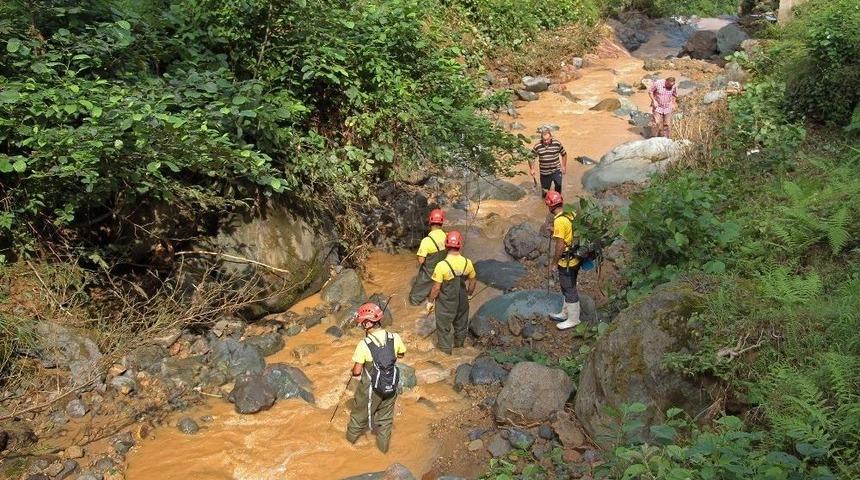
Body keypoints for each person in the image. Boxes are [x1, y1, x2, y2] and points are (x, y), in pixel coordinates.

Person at [345, 302, 406, 453]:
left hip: (371, 388)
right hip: (391, 384)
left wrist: (352, 370)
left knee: (358, 418)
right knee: (385, 421)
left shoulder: (364, 344)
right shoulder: (395, 337)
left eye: (361, 323)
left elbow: (357, 372)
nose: (360, 326)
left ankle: (345, 449)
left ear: (367, 323)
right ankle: (383, 453)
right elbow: (401, 354)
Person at [425, 231, 476, 354]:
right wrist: (469, 295)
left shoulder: (441, 266)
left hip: (446, 304)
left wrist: (430, 302)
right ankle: (459, 349)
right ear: (460, 245)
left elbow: (436, 288)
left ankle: (445, 354)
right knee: (461, 325)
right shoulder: (467, 263)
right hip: (462, 301)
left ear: (446, 246)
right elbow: (473, 282)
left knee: (444, 328)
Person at [545, 191, 582, 330]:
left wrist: (554, 263)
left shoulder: (559, 220)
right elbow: (569, 232)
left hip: (566, 262)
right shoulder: (569, 214)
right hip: (575, 258)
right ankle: (566, 312)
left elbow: (560, 244)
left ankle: (573, 319)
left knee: (568, 288)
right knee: (569, 286)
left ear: (550, 206)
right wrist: (555, 230)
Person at [408, 209, 447, 306]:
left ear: (430, 222)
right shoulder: (447, 236)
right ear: (442, 222)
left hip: (429, 272)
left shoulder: (426, 241)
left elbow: (421, 260)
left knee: (413, 299)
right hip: (442, 271)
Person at [531, 129, 567, 195]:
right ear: (541, 139)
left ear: (551, 137)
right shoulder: (537, 146)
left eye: (548, 139)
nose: (546, 141)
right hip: (544, 173)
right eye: (544, 140)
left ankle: (558, 203)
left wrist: (564, 166)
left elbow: (564, 154)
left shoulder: (557, 144)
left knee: (558, 189)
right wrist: (532, 169)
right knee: (545, 193)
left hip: (556, 170)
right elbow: (531, 158)